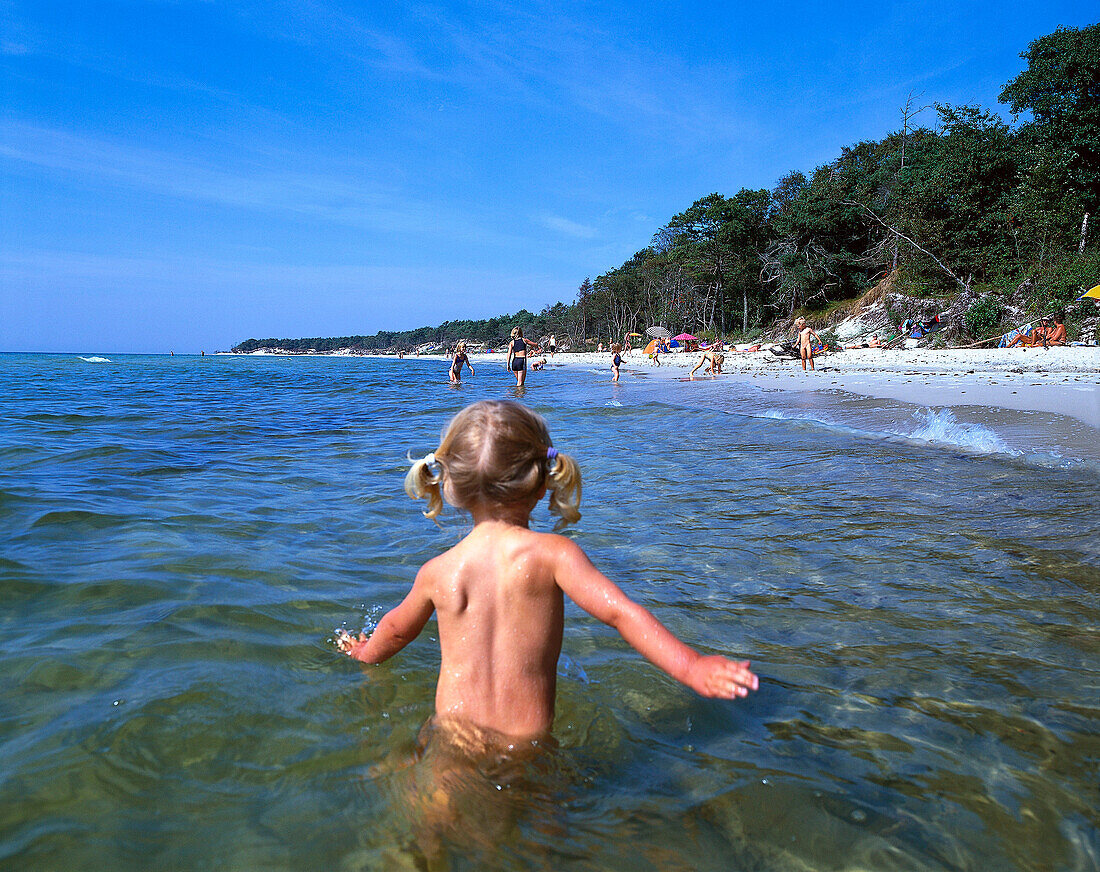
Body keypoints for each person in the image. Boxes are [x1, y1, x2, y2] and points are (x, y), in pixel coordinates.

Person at [336, 401, 758, 747]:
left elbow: (394, 630)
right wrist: (692, 668)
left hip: (451, 734)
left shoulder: (438, 572)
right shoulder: (555, 556)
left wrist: (365, 654)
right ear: (542, 484)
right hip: (528, 742)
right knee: (545, 839)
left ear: (451, 488)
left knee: (432, 827)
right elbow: (621, 614)